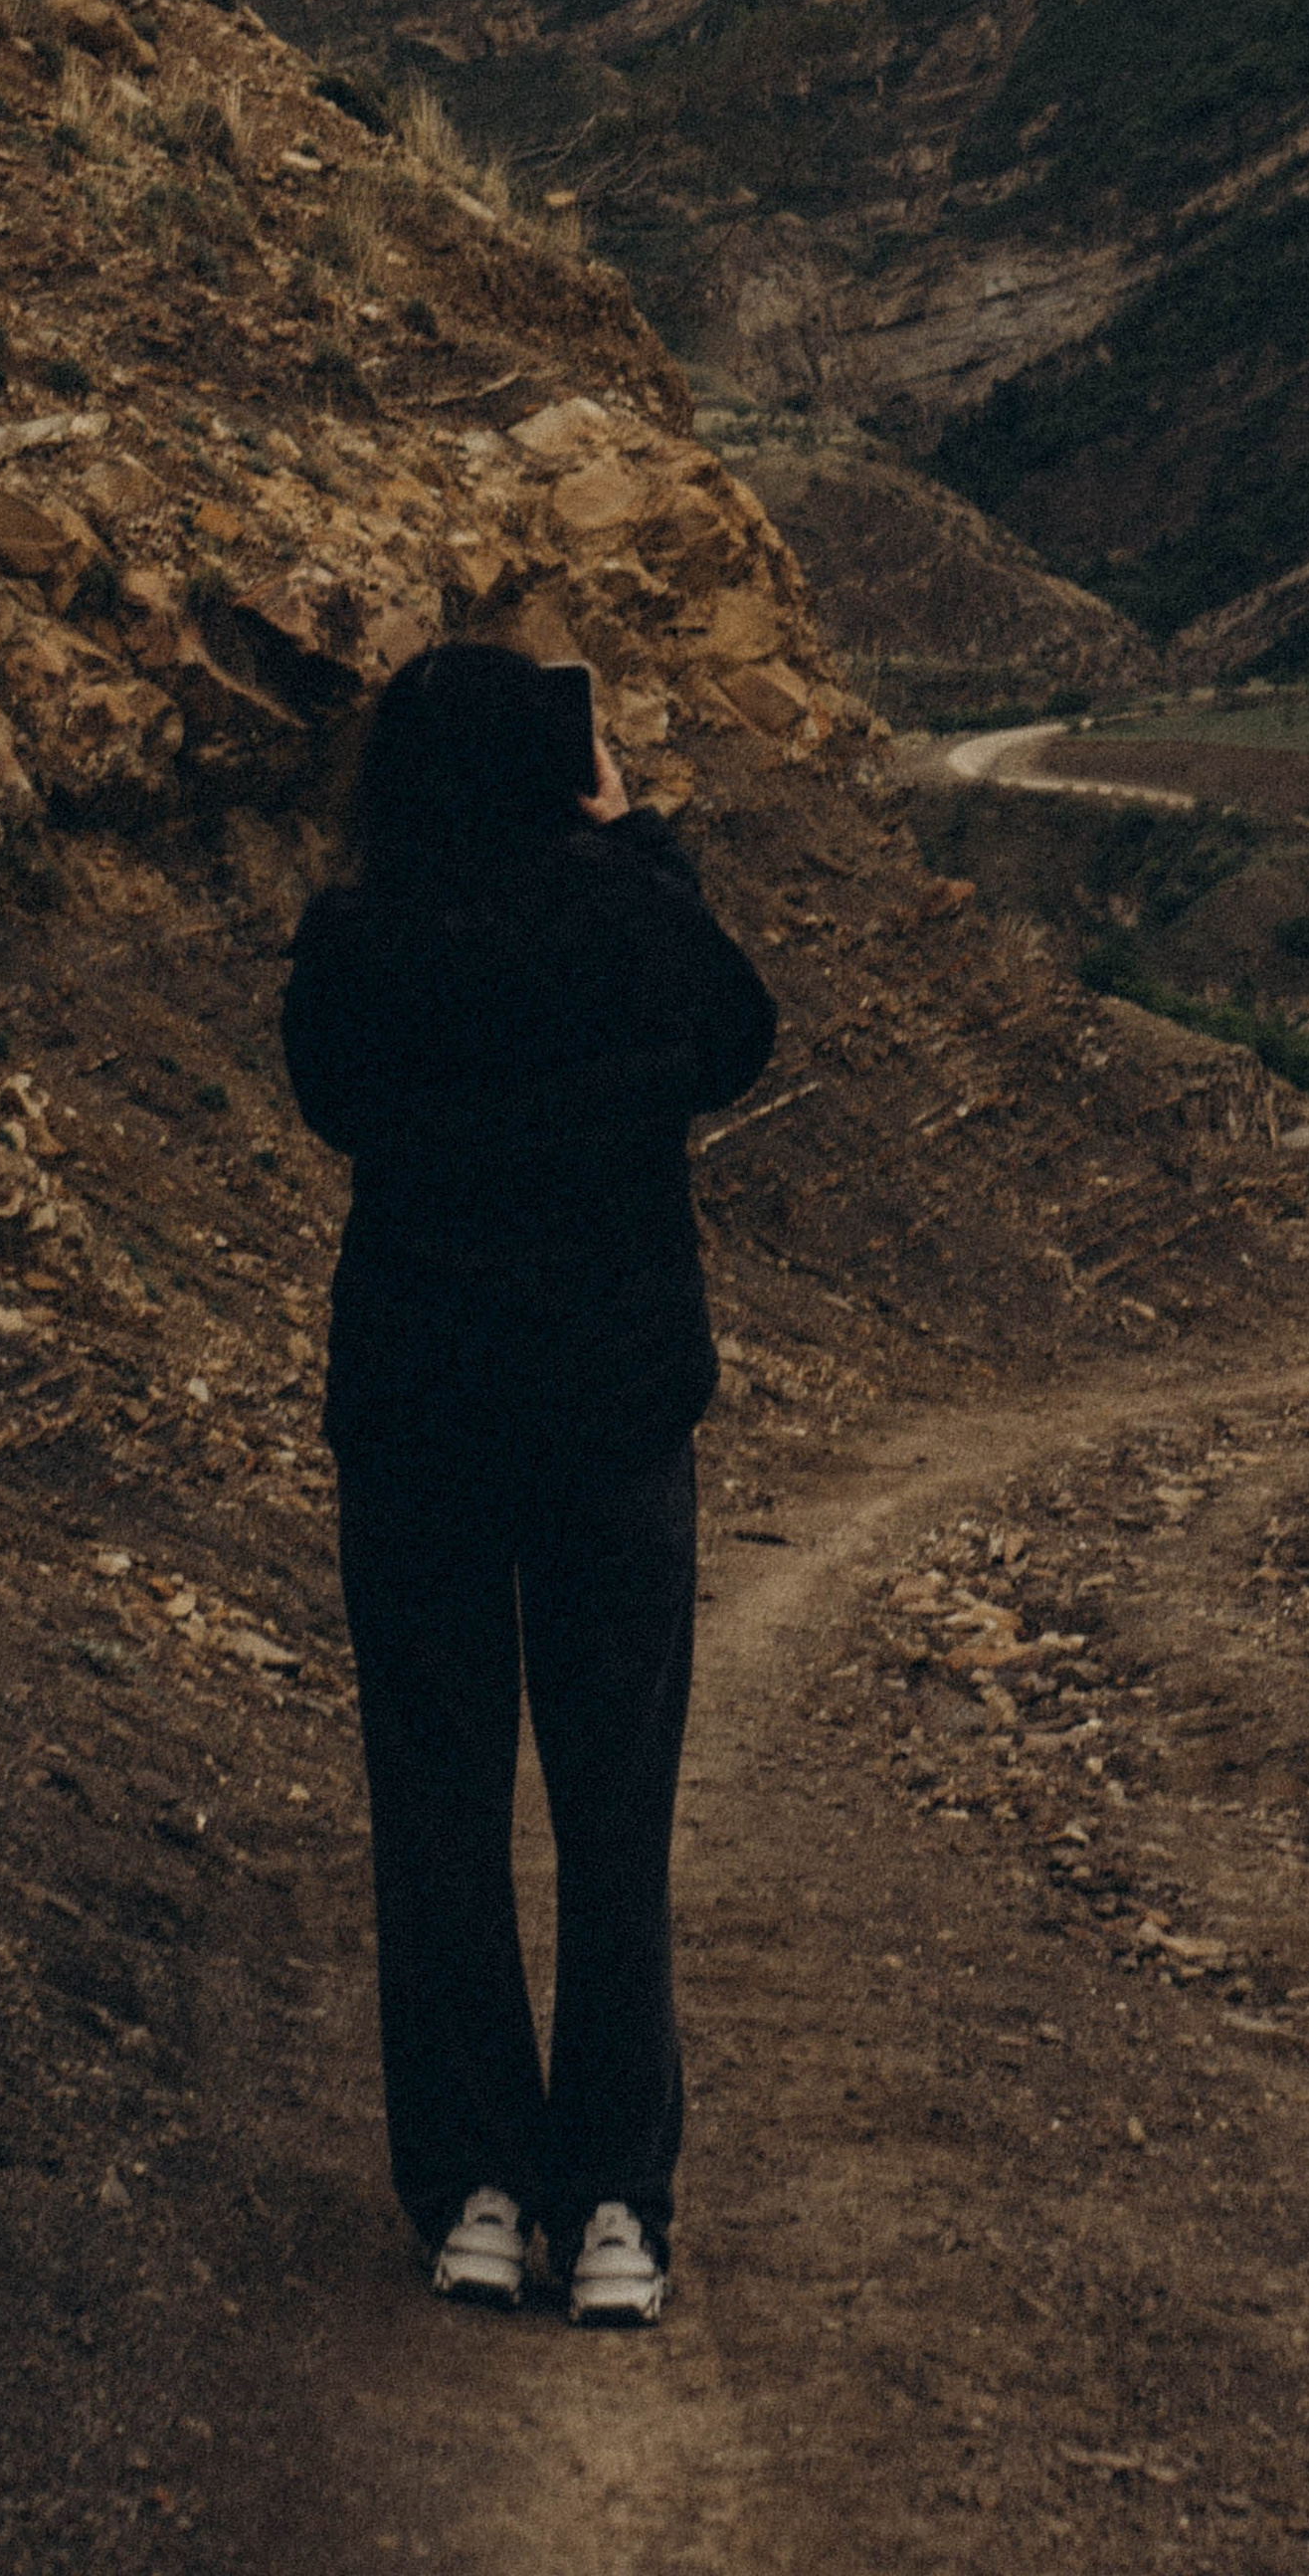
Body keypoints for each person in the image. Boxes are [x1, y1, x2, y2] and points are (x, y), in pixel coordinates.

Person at [281, 639, 775, 2328]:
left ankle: (478, 2195)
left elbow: (326, 1097)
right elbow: (738, 1038)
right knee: (614, 1818)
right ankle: (619, 2212)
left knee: (438, 1815)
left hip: (418, 1429)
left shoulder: (360, 938)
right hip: (611, 1433)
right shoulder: (633, 923)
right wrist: (638, 842)